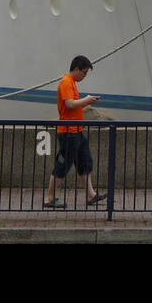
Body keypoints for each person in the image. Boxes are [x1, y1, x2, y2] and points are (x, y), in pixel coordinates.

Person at [43, 55, 108, 209]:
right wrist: (87, 100)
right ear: (76, 69)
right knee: (63, 164)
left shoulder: (72, 82)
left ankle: (91, 195)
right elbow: (69, 104)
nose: (84, 76)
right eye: (84, 73)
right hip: (68, 132)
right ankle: (49, 198)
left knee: (85, 161)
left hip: (77, 130)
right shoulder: (66, 82)